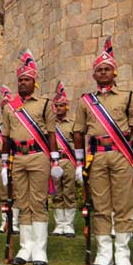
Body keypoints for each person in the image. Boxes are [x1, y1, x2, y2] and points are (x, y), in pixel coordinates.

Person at [72, 37, 133, 265]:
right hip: (97, 157)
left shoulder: (128, 96)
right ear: (94, 75)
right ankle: (104, 253)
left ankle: (123, 253)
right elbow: (78, 132)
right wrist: (79, 162)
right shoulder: (86, 101)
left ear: (115, 73)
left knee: (124, 204)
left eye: (107, 69)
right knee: (101, 205)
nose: (103, 73)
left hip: (121, 154)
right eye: (99, 70)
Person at [0, 51, 59, 265]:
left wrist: (54, 160)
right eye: (20, 80)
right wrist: (5, 163)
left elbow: (51, 134)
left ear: (34, 82)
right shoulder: (9, 107)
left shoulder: (44, 104)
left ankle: (40, 250)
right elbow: (5, 137)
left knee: (38, 202)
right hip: (18, 158)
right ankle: (25, 248)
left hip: (38, 156)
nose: (23, 83)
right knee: (22, 203)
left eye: (27, 80)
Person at [52, 81, 77, 237]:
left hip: (68, 160)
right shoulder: (49, 126)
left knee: (69, 192)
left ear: (66, 107)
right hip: (54, 161)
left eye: (62, 105)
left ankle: (68, 225)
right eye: (56, 106)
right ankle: (59, 224)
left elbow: (79, 143)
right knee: (56, 193)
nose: (59, 108)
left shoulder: (73, 124)